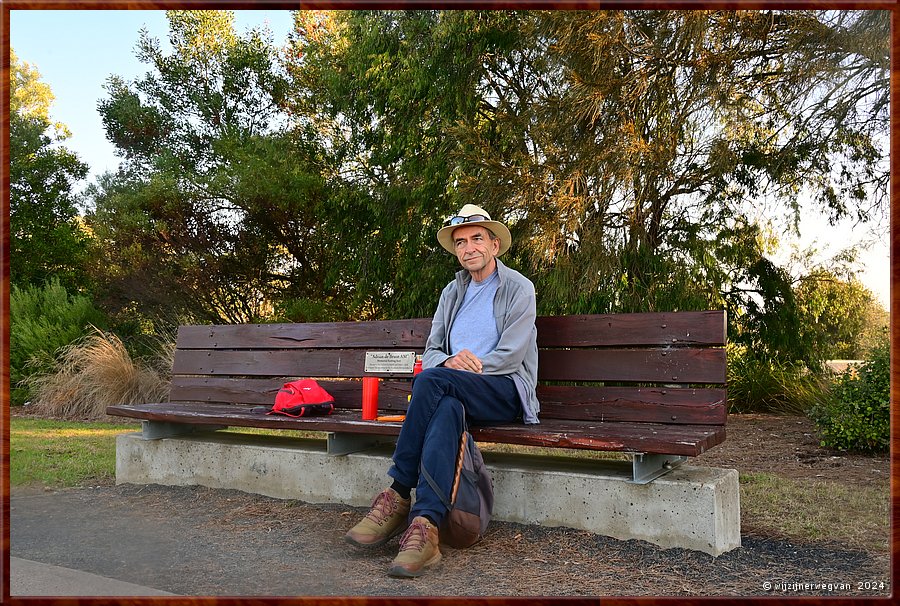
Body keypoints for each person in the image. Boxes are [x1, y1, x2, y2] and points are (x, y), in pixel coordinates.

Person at [344, 204, 539, 578]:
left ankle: (399, 491)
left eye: (477, 239)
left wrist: (463, 367)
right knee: (445, 406)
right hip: (454, 389)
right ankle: (426, 526)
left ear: (494, 245)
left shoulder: (519, 289)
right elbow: (433, 351)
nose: (468, 248)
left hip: (504, 388)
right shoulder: (452, 292)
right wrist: (449, 362)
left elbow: (512, 356)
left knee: (432, 381)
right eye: (461, 242)